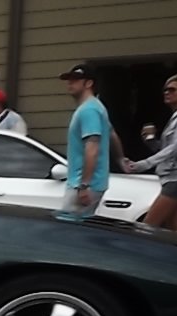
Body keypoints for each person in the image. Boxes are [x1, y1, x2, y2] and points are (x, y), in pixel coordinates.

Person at [125, 73, 177, 234]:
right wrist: (150, 141)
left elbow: (175, 147)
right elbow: (167, 149)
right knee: (176, 232)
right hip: (175, 179)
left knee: (146, 227)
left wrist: (143, 164)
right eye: (165, 90)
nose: (167, 93)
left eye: (172, 90)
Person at [58, 63, 111, 220]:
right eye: (69, 80)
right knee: (80, 227)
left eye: (75, 80)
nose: (70, 83)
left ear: (89, 83)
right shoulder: (95, 107)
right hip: (89, 182)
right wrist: (121, 158)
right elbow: (111, 132)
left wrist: (84, 185)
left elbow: (92, 149)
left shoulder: (89, 110)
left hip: (84, 184)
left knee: (67, 228)